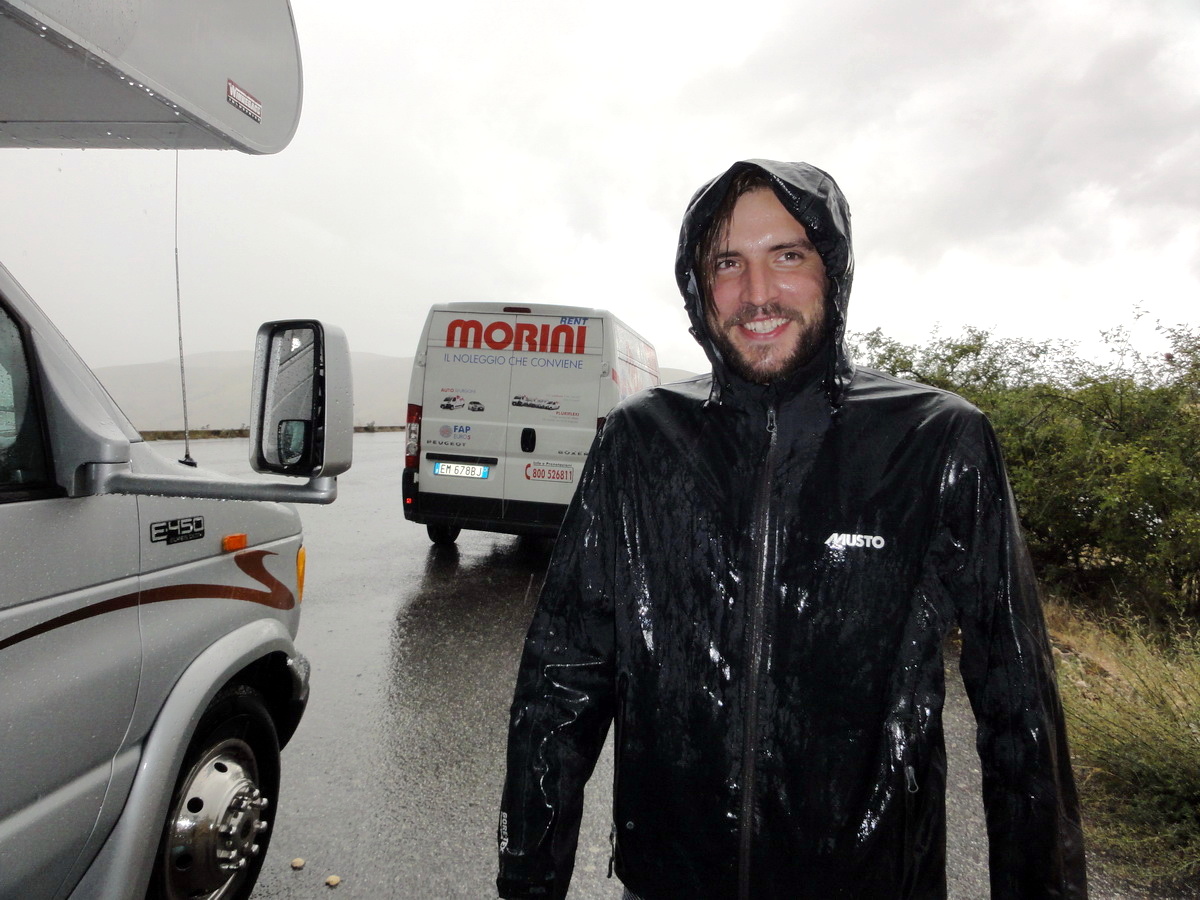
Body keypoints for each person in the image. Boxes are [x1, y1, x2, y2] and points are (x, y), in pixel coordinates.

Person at [496, 159, 1088, 900]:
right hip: (671, 882)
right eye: (727, 263)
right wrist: (528, 879)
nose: (757, 294)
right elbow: (562, 677)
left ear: (832, 269)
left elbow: (1018, 698)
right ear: (697, 285)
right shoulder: (640, 441)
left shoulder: (935, 440)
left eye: (787, 255)